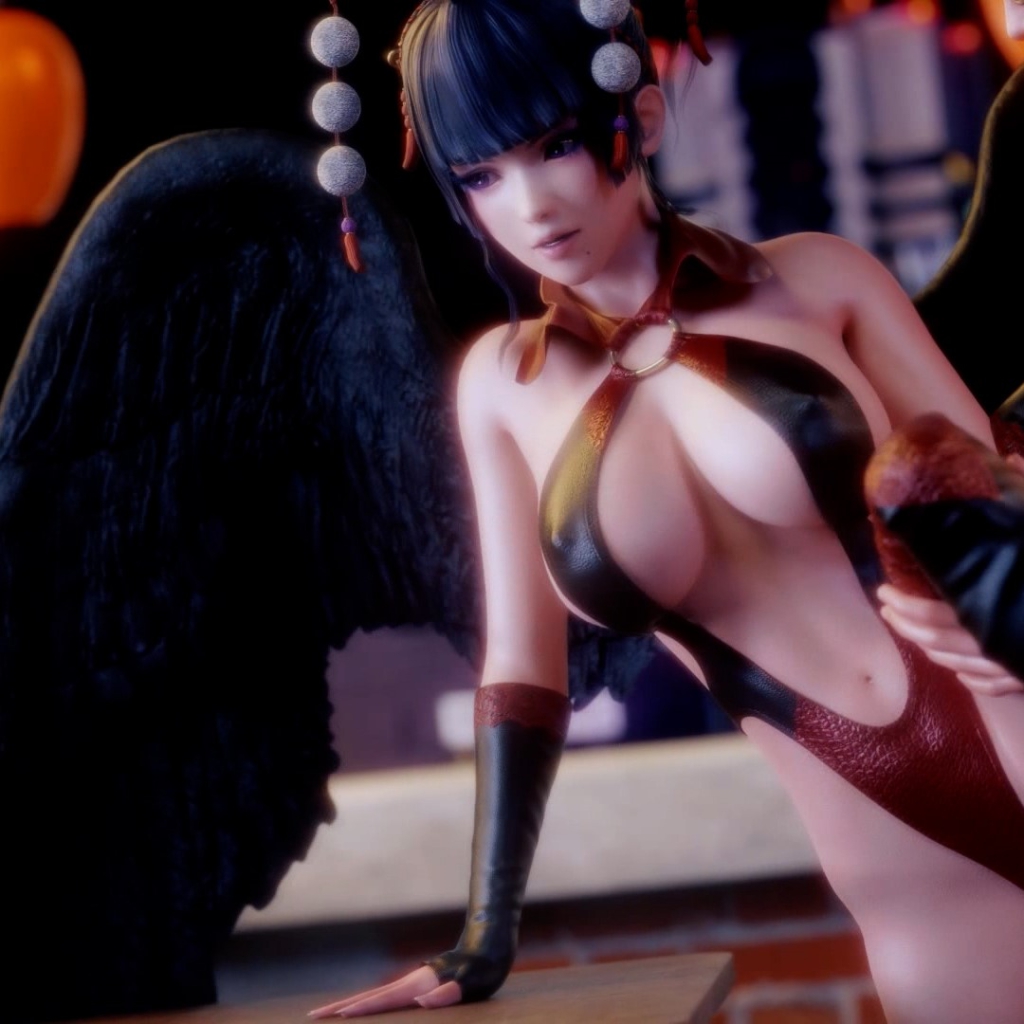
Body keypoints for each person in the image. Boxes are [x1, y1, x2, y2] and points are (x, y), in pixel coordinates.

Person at [310, 2, 1024, 1021]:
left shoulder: (819, 281)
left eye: (556, 145)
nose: (530, 205)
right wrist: (484, 931)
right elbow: (521, 673)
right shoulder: (504, 391)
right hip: (906, 868)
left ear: (638, 117)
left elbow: (1002, 496)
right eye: (481, 176)